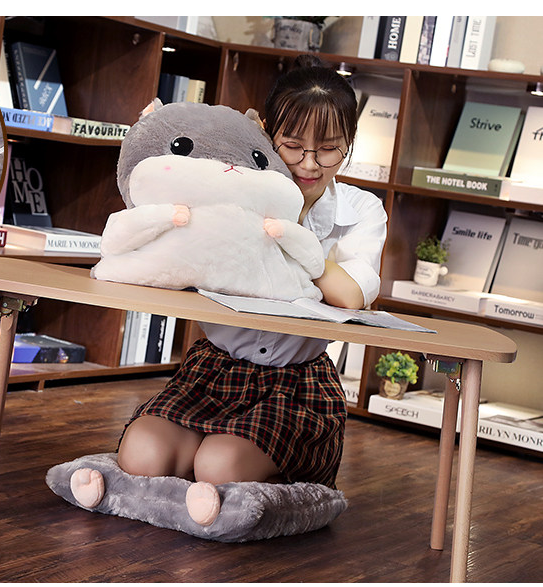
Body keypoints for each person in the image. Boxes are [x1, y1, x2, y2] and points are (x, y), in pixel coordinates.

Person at [75, 54, 388, 526]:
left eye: (329, 150)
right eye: (292, 146)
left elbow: (350, 294)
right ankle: (194, 471)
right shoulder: (221, 184)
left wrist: (282, 232)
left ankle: (274, 486)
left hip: (294, 382)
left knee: (219, 467)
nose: (309, 164)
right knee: (141, 455)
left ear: (348, 145)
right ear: (263, 132)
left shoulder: (360, 210)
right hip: (216, 367)